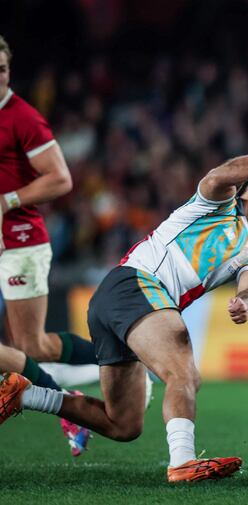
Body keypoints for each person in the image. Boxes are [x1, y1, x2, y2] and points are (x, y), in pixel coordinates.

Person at [0, 142, 248, 483]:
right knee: (184, 374)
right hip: (137, 284)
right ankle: (182, 462)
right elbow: (220, 174)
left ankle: (27, 394)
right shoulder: (218, 205)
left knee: (123, 424)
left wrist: (245, 303)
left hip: (125, 303)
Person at [0, 34, 98, 456]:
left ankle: (118, 358)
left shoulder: (22, 117)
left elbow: (61, 178)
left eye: (1, 69)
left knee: (32, 345)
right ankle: (68, 400)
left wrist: (8, 200)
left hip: (20, 241)